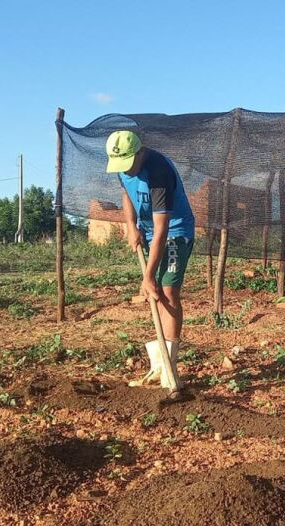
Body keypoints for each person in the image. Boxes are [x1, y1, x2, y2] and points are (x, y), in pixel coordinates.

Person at [105, 130, 195, 387]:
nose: (126, 169)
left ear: (141, 152)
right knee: (158, 294)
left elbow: (162, 229)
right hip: (148, 230)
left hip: (175, 230)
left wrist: (148, 276)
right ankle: (159, 365)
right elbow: (126, 193)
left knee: (167, 292)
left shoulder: (158, 172)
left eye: (129, 163)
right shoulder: (123, 167)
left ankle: (169, 369)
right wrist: (131, 225)